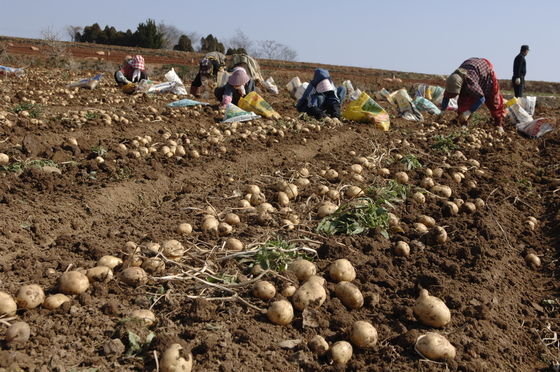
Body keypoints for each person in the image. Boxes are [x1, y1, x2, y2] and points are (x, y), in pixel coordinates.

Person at [441, 58, 505, 126]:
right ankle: (462, 121)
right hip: (473, 67)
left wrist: (468, 112)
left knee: (494, 101)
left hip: (486, 71)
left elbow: (481, 99)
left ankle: (498, 123)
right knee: (463, 100)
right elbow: (446, 96)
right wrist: (442, 111)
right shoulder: (453, 79)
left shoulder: (471, 84)